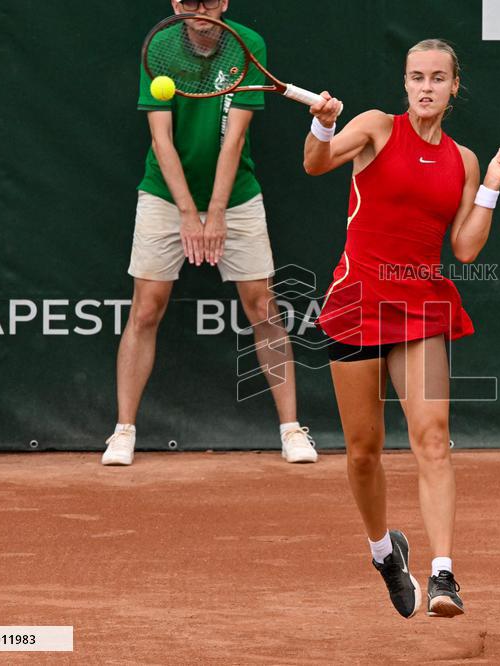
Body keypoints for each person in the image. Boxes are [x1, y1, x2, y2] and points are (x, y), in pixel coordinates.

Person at [302, 39, 500, 618]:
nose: (427, 87)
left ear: (454, 87)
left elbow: (466, 248)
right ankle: (382, 552)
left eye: (438, 78)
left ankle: (444, 574)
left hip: (420, 305)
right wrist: (324, 126)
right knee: (363, 451)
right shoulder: (374, 127)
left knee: (432, 437)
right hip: (357, 299)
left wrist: (493, 185)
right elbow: (316, 163)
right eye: (417, 77)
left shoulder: (464, 160)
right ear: (405, 83)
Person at [101, 0, 317, 466]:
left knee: (263, 306)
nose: (199, 10)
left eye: (208, 0)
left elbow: (235, 138)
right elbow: (160, 139)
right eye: (188, 0)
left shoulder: (246, 44)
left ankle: (291, 430)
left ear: (223, 2)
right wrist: (186, 211)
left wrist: (215, 211)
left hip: (236, 195)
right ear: (175, 4)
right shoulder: (159, 46)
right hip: (163, 193)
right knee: (146, 308)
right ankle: (122, 431)